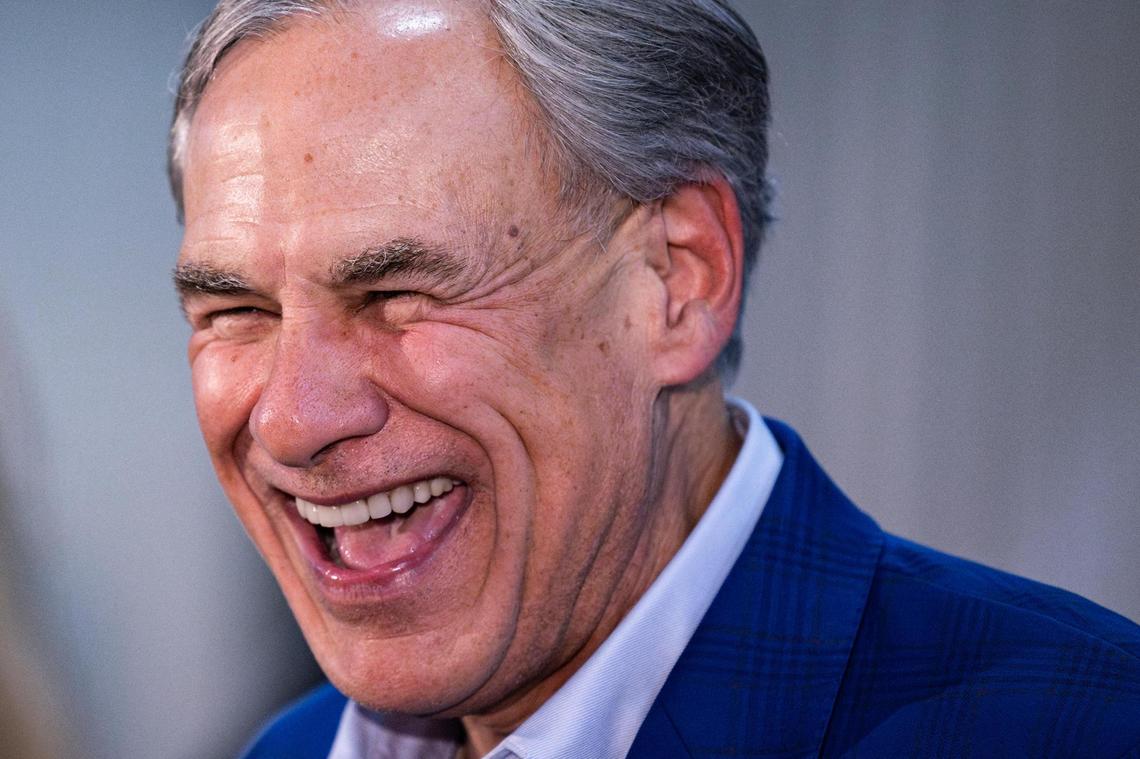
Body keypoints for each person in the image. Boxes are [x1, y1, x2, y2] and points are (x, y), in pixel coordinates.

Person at [169, 1, 1140, 756]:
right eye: (237, 313)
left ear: (677, 281)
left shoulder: (1083, 728)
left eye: (397, 292)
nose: (293, 419)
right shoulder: (287, 749)